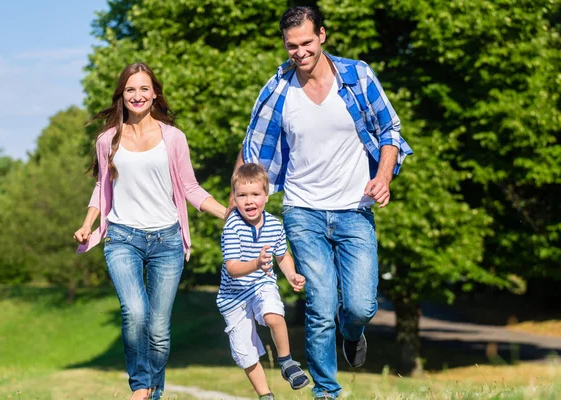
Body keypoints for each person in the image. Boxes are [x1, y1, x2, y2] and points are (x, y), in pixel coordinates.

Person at [233, 6, 413, 399]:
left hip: (355, 209)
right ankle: (327, 393)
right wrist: (237, 208)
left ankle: (353, 333)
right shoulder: (278, 90)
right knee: (320, 303)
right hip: (303, 211)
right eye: (291, 45)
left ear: (323, 36)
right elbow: (251, 153)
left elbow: (390, 130)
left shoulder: (357, 76)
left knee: (362, 306)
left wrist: (382, 177)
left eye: (307, 43)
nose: (299, 52)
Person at [73, 62, 226, 400]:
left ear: (154, 93)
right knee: (136, 312)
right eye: (130, 89)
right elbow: (102, 186)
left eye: (144, 89)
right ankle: (140, 386)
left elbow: (190, 187)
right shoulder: (107, 140)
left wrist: (226, 212)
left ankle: (152, 394)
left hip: (167, 240)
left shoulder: (173, 138)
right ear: (122, 95)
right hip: (122, 237)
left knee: (158, 330)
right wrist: (88, 225)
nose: (138, 95)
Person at [218, 163, 310, 400]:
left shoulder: (274, 225)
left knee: (272, 315)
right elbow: (233, 267)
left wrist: (291, 275)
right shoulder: (232, 227)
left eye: (255, 194)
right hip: (233, 296)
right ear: (234, 198)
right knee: (245, 354)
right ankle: (265, 395)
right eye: (242, 195)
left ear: (266, 196)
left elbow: (282, 255)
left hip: (261, 284)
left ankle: (287, 362)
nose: (249, 201)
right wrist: (256, 263)